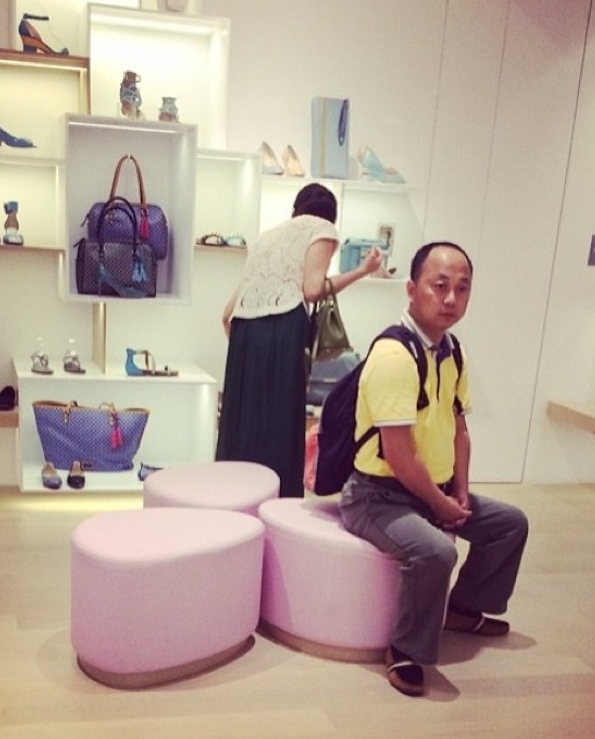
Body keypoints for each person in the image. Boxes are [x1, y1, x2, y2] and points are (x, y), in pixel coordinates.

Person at [339, 241, 528, 697]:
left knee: (509, 524)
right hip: (377, 497)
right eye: (439, 286)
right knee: (436, 551)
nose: (450, 299)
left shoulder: (451, 350)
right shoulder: (393, 356)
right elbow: (399, 454)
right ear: (411, 289)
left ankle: (463, 609)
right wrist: (438, 504)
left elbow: (459, 428)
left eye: (462, 289)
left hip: (431, 490)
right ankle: (406, 649)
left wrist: (460, 491)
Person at [216, 183, 383, 497]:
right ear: (331, 215)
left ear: (296, 209)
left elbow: (226, 315)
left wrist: (248, 352)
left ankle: (235, 496)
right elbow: (312, 289)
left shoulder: (266, 238)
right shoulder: (322, 229)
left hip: (244, 333)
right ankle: (277, 501)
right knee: (281, 424)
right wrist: (363, 270)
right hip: (283, 329)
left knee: (244, 422)